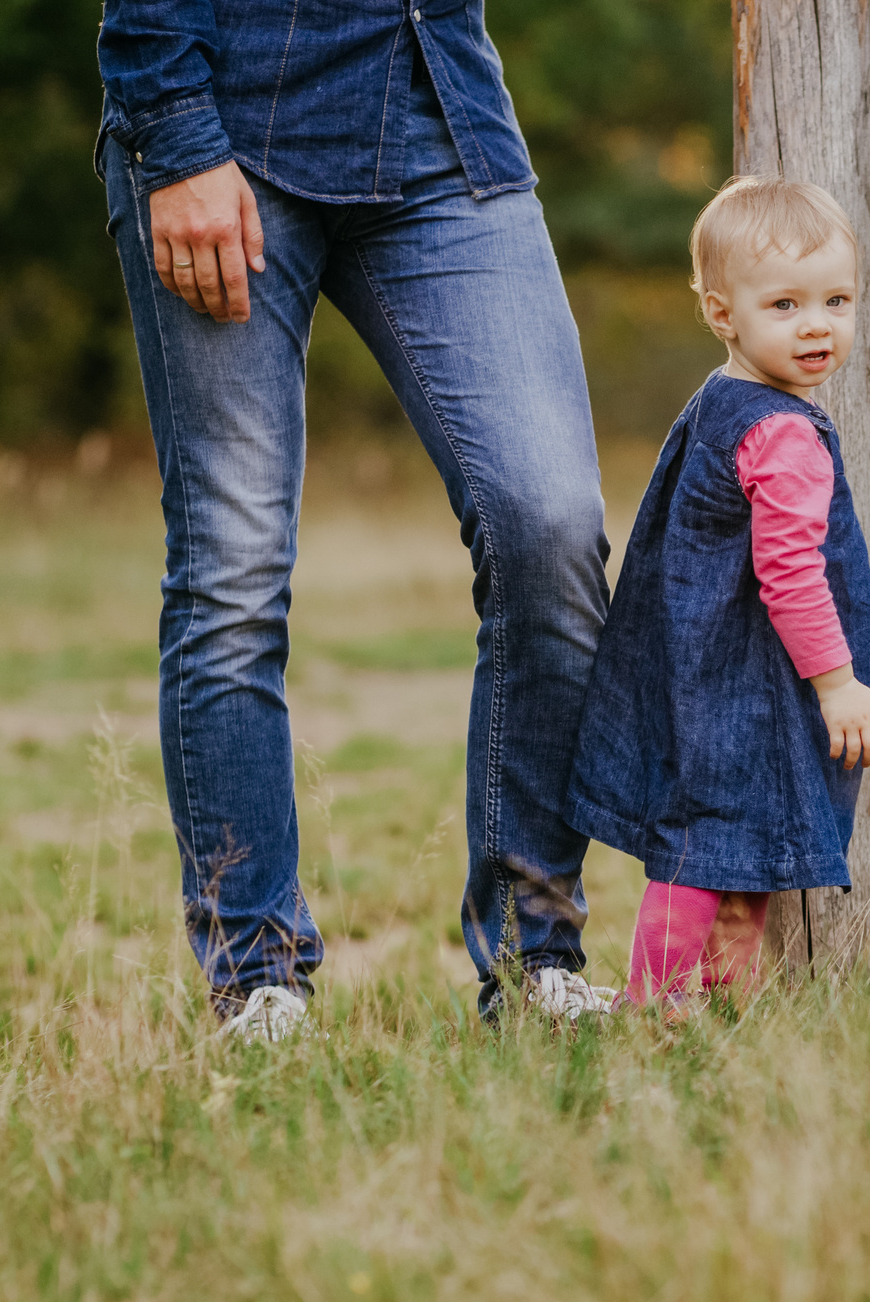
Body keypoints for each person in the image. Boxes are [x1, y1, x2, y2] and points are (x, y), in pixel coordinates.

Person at [96, 0, 621, 1039]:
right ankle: (257, 981)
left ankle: (535, 962)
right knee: (234, 567)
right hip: (231, 118)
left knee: (551, 524)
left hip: (442, 110)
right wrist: (175, 132)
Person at [567, 178, 870, 1010]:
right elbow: (790, 571)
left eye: (836, 300)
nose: (817, 324)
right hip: (750, 683)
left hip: (697, 665)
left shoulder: (720, 401)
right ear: (723, 313)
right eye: (785, 304)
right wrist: (836, 683)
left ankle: (722, 1006)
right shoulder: (783, 433)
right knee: (709, 846)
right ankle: (658, 1005)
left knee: (736, 845)